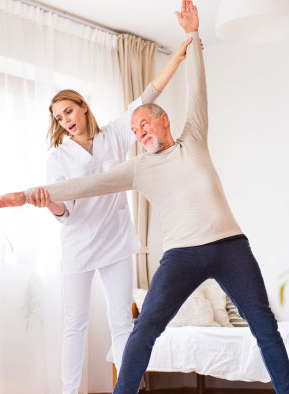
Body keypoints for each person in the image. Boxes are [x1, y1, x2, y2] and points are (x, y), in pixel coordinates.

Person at [0, 1, 289, 393]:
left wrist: (192, 36)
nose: (139, 132)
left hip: (230, 247)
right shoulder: (137, 168)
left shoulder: (194, 139)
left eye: (144, 124)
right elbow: (85, 186)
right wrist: (32, 193)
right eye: (134, 130)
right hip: (182, 254)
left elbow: (197, 89)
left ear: (163, 119)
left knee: (263, 324)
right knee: (144, 329)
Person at [31, 27, 192, 394]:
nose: (66, 120)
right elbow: (65, 212)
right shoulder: (57, 158)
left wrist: (178, 57)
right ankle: (69, 392)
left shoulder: (116, 135)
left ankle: (127, 388)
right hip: (78, 246)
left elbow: (148, 95)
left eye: (69, 111)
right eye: (59, 118)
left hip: (116, 241)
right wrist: (49, 203)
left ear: (83, 106)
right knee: (75, 324)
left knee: (121, 321)